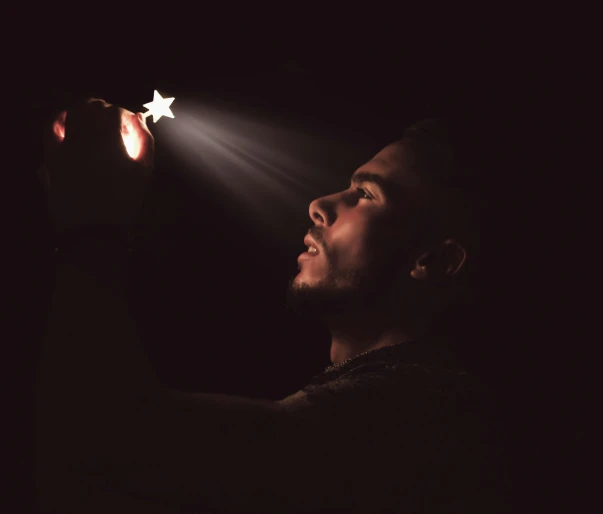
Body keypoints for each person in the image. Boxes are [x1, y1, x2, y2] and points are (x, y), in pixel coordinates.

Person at [34, 99, 511, 513]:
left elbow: (113, 437)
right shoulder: (397, 398)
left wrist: (93, 228)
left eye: (366, 195)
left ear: (436, 260)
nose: (321, 204)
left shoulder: (427, 418)